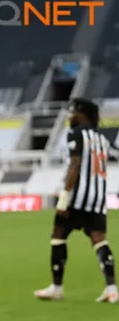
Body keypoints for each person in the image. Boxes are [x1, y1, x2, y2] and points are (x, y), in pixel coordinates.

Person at [35, 98, 116, 303]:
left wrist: (64, 196)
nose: (71, 117)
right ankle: (111, 288)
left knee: (58, 235)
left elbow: (75, 165)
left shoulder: (77, 134)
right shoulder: (101, 138)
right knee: (99, 239)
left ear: (83, 114)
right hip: (97, 198)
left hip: (78, 197)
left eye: (73, 113)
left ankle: (57, 287)